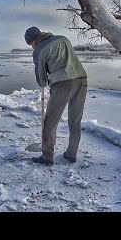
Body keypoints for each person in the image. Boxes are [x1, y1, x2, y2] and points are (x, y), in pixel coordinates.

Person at [24, 26, 88, 165]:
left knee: (50, 122)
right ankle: (71, 154)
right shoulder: (63, 39)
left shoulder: (39, 51)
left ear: (33, 41)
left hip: (62, 85)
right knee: (75, 120)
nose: (31, 47)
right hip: (81, 80)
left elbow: (41, 81)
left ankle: (47, 157)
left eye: (30, 44)